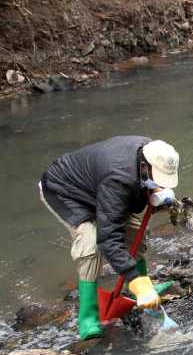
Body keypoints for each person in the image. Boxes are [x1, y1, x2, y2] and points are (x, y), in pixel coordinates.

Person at [39, 136, 179, 340]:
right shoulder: (118, 178)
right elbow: (108, 239)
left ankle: (144, 287)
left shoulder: (156, 153)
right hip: (65, 190)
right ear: (145, 166)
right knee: (90, 244)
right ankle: (88, 317)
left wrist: (157, 192)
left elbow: (134, 197)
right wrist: (134, 281)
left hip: (101, 188)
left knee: (135, 234)